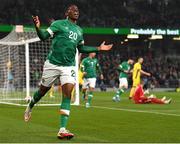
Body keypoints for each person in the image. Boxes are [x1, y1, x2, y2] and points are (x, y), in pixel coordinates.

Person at [24, 5, 113, 140]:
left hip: (69, 67)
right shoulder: (58, 24)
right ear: (67, 13)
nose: (76, 11)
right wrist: (37, 27)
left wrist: (98, 48)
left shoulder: (79, 30)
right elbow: (43, 37)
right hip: (52, 64)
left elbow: (81, 48)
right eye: (73, 10)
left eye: (77, 10)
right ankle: (30, 105)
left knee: (67, 95)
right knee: (42, 91)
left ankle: (62, 129)